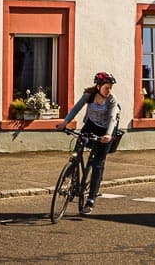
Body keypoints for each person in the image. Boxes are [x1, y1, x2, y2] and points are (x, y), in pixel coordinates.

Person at [57, 71, 120, 215]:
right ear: (98, 86)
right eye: (106, 87)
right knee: (77, 150)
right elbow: (75, 109)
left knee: (98, 163)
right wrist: (65, 122)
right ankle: (71, 176)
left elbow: (112, 118)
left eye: (110, 87)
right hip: (90, 126)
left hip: (105, 131)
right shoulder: (89, 96)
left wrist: (108, 134)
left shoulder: (111, 100)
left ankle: (90, 200)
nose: (109, 90)